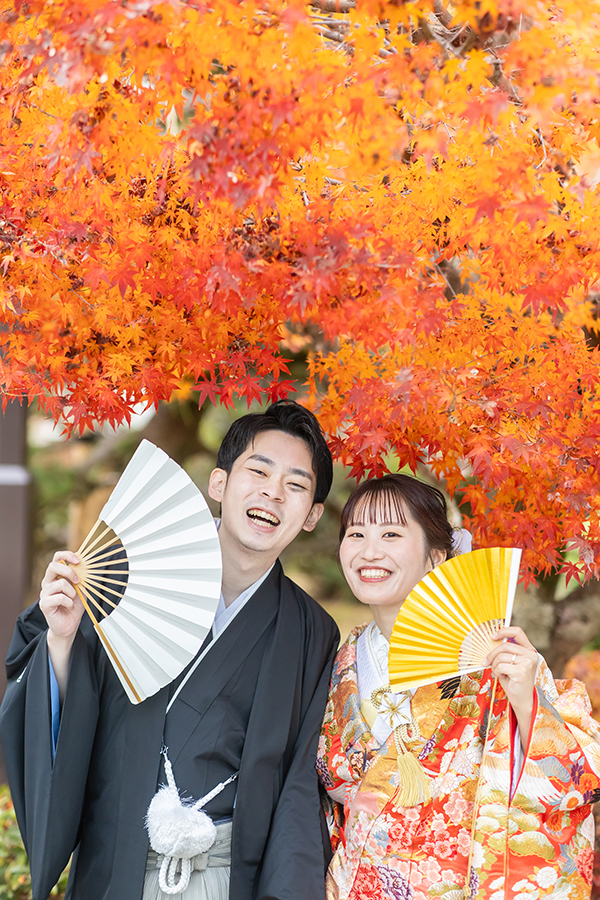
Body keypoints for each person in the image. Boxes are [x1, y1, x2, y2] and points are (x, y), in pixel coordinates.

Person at [0, 400, 340, 900]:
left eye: (295, 485)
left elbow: (296, 788)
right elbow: (64, 712)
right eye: (258, 471)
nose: (273, 492)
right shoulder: (128, 577)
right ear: (219, 484)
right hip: (116, 861)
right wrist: (62, 640)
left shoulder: (311, 631)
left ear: (311, 516)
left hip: (224, 874)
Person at [317, 474, 600, 900]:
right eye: (356, 533)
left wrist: (526, 702)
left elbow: (577, 778)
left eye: (391, 533)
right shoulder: (343, 660)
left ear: (436, 557)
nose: (369, 550)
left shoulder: (497, 656)